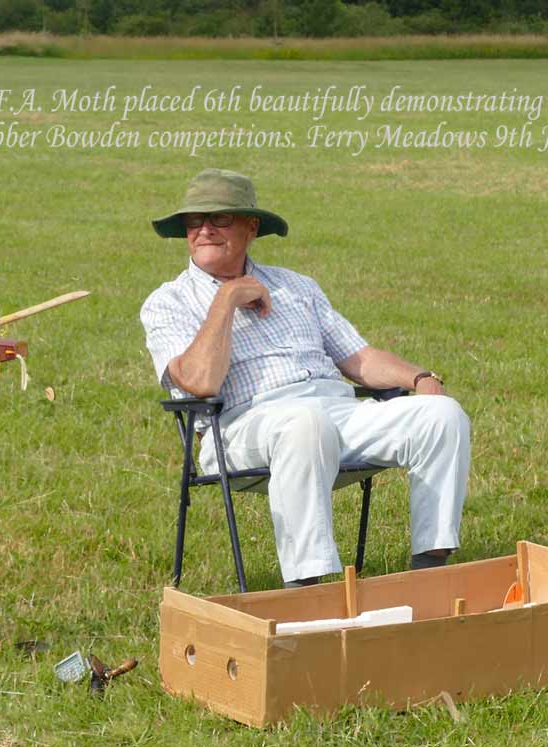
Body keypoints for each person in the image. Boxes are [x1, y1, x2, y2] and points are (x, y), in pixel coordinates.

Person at [140, 168, 470, 587]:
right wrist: (226, 297)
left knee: (442, 414)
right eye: (194, 221)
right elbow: (200, 382)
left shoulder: (296, 286)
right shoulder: (168, 302)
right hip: (241, 428)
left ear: (251, 226)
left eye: (219, 218)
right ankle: (305, 587)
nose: (204, 230)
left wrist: (420, 378)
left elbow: (358, 356)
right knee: (304, 423)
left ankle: (430, 572)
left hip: (334, 412)